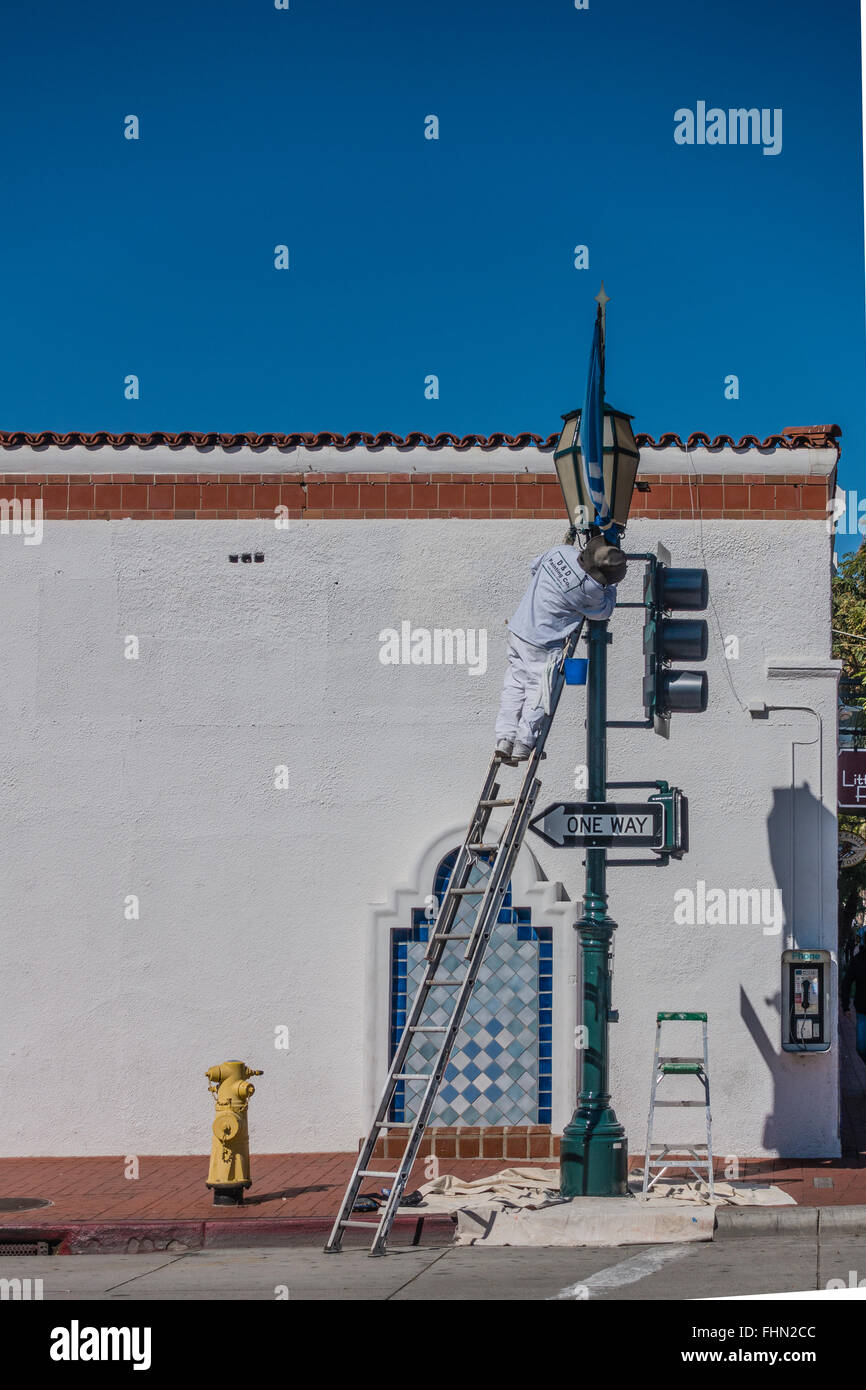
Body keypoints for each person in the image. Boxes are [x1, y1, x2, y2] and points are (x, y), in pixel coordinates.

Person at [494, 535, 628, 761]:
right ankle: (523, 743)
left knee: (514, 686)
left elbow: (534, 567)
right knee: (539, 690)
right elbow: (604, 611)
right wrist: (612, 588)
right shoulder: (591, 589)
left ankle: (504, 737)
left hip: (519, 630)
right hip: (544, 643)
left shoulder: (560, 552)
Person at [842, 943, 866, 1063]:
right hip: (862, 1010)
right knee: (861, 1048)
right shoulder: (857, 961)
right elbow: (846, 983)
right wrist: (845, 1006)